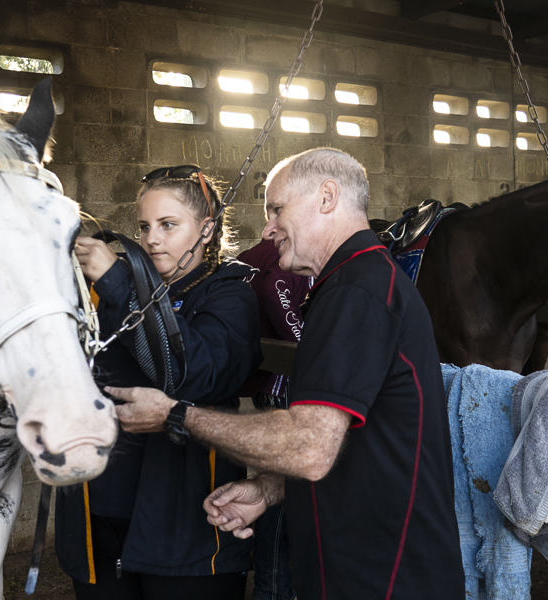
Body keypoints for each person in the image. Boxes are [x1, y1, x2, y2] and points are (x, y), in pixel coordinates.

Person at [108, 148, 465, 599]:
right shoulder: (349, 284)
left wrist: (175, 415)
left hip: (385, 577)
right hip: (355, 568)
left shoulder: (359, 290)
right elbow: (345, 439)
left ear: (327, 197)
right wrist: (269, 489)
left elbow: (309, 447)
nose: (268, 229)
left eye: (277, 209)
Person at [55, 165, 262, 600]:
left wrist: (118, 284)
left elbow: (194, 374)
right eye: (145, 226)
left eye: (168, 225)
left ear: (206, 229)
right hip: (97, 518)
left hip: (184, 528)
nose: (152, 239)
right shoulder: (110, 293)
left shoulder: (228, 293)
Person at [237, 239, 312, 600]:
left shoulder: (252, 253)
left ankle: (272, 586)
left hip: (266, 382)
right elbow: (275, 289)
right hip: (285, 385)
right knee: (286, 489)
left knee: (275, 484)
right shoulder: (293, 250)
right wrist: (308, 349)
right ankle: (272, 589)